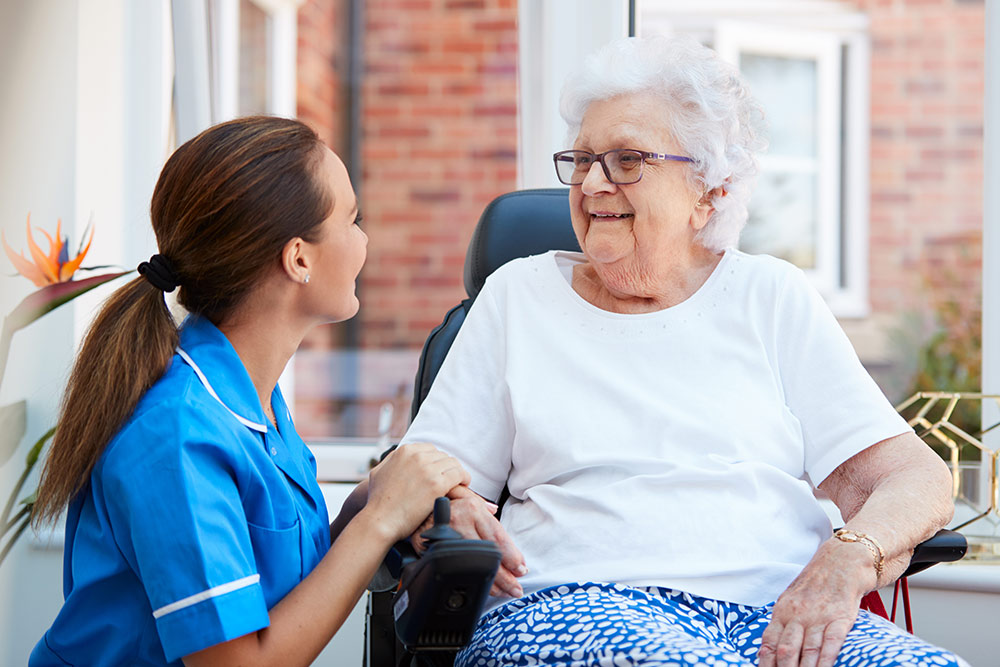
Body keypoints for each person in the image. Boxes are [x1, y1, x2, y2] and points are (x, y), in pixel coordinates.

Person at [399, 37, 967, 667]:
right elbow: (422, 478)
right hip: (577, 601)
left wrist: (848, 557)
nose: (591, 183)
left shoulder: (770, 296)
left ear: (710, 191)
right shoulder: (519, 297)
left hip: (777, 611)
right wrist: (453, 506)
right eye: (583, 159)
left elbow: (914, 478)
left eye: (626, 160)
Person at [28, 116, 469, 667]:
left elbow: (270, 584)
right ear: (299, 257)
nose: (364, 241)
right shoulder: (177, 433)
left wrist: (371, 505)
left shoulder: (250, 400)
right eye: (352, 220)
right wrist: (379, 523)